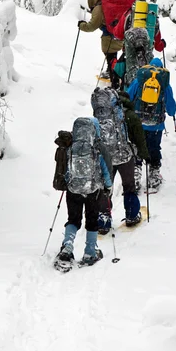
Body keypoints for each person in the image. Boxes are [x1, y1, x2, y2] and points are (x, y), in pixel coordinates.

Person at [54, 117, 113, 272]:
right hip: (93, 190)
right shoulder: (96, 147)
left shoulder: (70, 146)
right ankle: (90, 253)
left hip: (73, 189)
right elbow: (105, 171)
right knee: (92, 221)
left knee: (73, 219)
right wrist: (108, 186)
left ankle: (67, 249)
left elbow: (64, 168)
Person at [91, 87, 149, 234]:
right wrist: (144, 154)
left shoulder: (100, 115)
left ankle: (103, 220)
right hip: (124, 155)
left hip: (106, 157)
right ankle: (132, 215)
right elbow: (138, 137)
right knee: (129, 185)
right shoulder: (127, 115)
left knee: (105, 187)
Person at [126, 57, 176, 191]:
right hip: (156, 125)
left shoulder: (139, 81)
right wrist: (171, 112)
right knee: (154, 147)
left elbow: (128, 96)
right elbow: (172, 108)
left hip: (138, 123)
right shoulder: (165, 85)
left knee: (137, 146)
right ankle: (154, 174)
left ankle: (135, 173)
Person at [78, 0, 123, 85]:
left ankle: (114, 79)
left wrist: (81, 25)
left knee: (110, 57)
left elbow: (92, 26)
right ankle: (112, 72)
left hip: (109, 37)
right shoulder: (111, 4)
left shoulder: (99, 8)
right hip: (119, 35)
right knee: (113, 55)